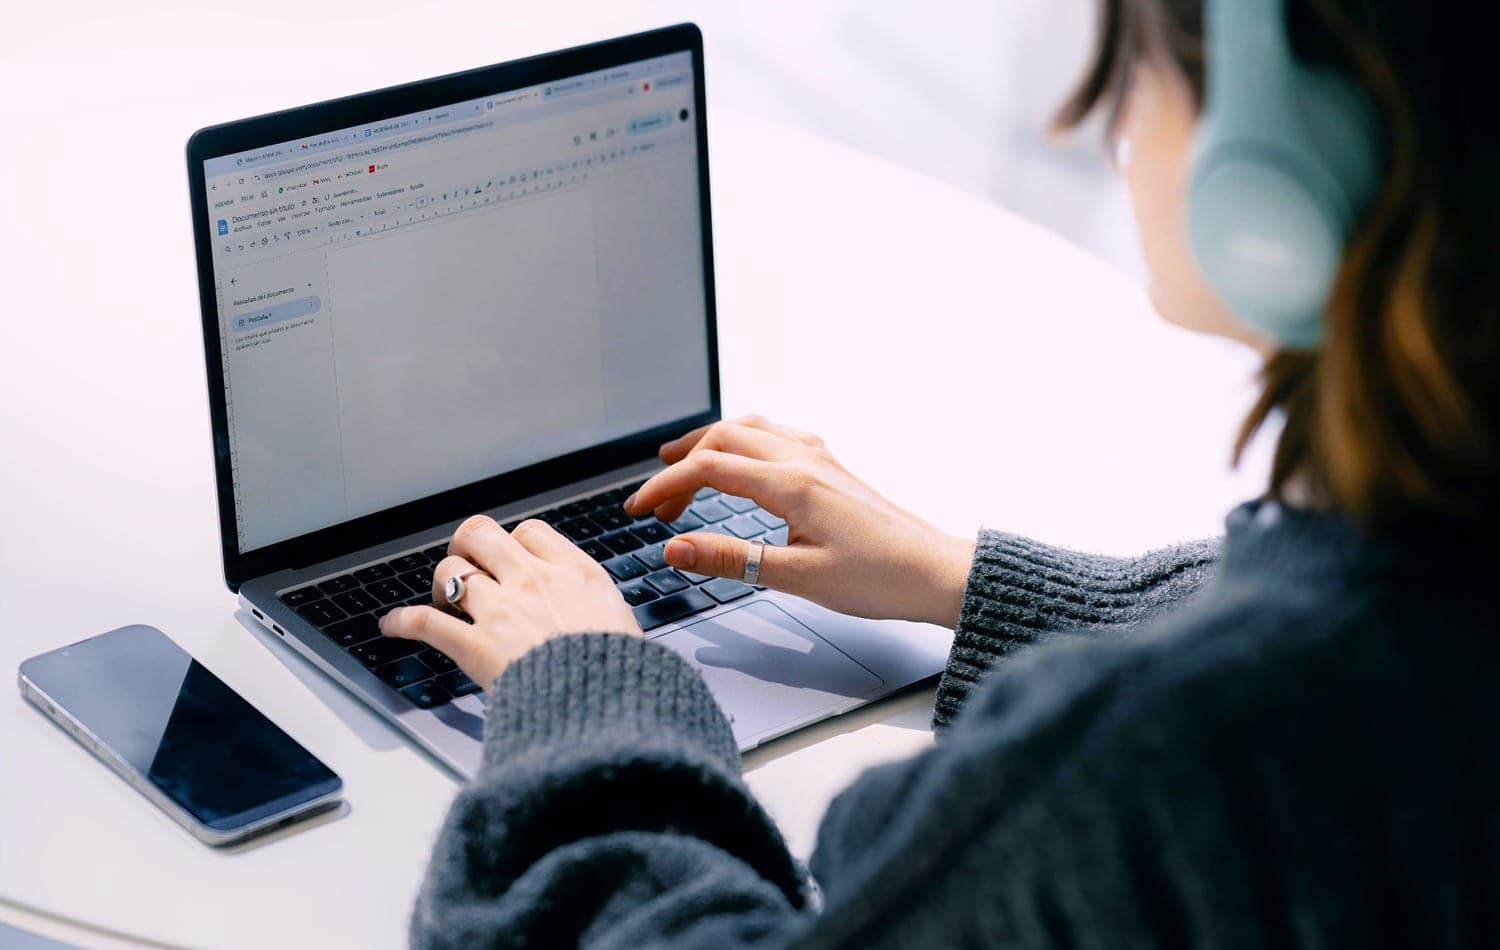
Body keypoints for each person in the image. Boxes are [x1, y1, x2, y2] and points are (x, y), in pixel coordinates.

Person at [380, 0, 1500, 945]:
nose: (1114, 120)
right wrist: (969, 581)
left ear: (1279, 172)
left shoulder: (1166, 756)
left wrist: (585, 691)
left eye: (1143, 63)